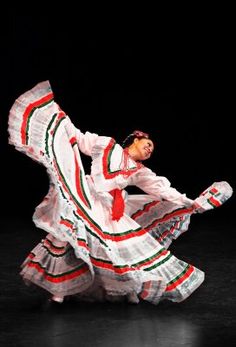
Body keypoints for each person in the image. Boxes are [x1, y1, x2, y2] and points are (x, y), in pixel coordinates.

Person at [8, 81, 233, 305]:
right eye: (148, 144)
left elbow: (161, 188)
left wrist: (187, 201)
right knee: (67, 237)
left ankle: (129, 288)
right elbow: (78, 137)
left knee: (116, 248)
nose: (149, 149)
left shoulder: (140, 171)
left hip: (108, 207)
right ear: (136, 139)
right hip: (86, 195)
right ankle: (59, 291)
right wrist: (61, 119)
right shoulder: (107, 145)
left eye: (151, 150)